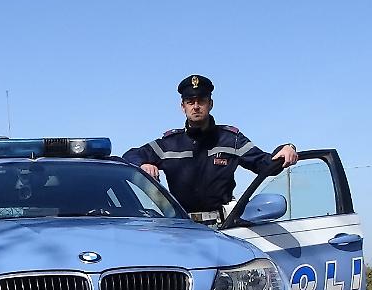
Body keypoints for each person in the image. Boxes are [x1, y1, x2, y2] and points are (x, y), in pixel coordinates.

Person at [122, 74, 299, 220]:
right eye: (190, 102)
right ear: (183, 107)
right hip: (182, 230)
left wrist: (287, 148)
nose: (196, 106)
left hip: (224, 228)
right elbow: (129, 156)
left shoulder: (231, 140)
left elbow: (265, 164)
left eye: (201, 101)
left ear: (210, 104)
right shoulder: (169, 144)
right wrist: (143, 164)